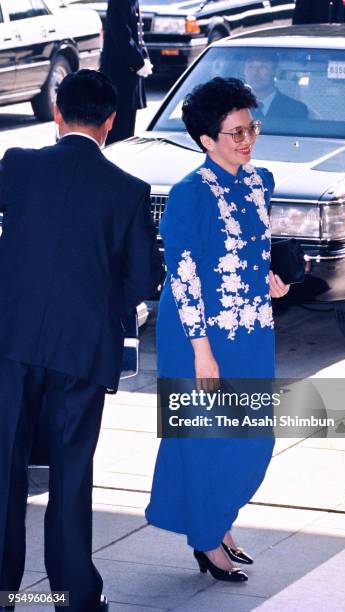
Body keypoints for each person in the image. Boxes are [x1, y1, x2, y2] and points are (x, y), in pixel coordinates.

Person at [0, 70, 163, 612]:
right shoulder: (128, 190)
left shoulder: (17, 166)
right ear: (111, 122)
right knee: (71, 476)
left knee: (5, 471)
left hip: (12, 343)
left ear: (57, 114)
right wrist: (102, 306)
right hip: (82, 352)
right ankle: (73, 598)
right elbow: (144, 282)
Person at [145, 77, 289, 582]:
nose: (247, 140)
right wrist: (202, 353)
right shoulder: (189, 195)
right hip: (198, 335)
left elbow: (247, 249)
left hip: (250, 327)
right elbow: (183, 279)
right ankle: (209, 540)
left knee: (253, 437)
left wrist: (266, 277)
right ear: (207, 141)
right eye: (235, 133)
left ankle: (217, 521)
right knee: (207, 438)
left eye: (251, 128)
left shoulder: (259, 180)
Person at [100, 0, 153, 145]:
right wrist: (138, 62)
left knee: (127, 130)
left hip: (128, 73)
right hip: (119, 74)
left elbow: (137, 34)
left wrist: (144, 57)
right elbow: (121, 33)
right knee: (118, 132)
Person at [244, 56, 308, 130]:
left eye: (263, 67)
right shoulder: (234, 107)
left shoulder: (296, 109)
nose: (255, 73)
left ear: (276, 71)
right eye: (251, 67)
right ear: (244, 71)